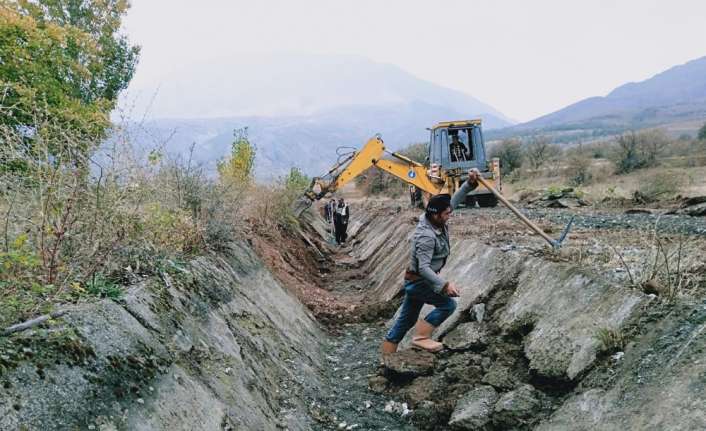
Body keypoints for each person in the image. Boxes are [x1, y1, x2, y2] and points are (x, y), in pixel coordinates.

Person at [381, 169, 480, 355]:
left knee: (405, 322)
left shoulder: (434, 217)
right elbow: (423, 267)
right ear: (436, 215)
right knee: (448, 305)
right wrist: (444, 285)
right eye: (447, 214)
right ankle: (420, 338)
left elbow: (453, 202)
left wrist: (470, 183)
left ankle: (386, 361)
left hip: (416, 281)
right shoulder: (426, 236)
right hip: (419, 281)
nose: (450, 215)